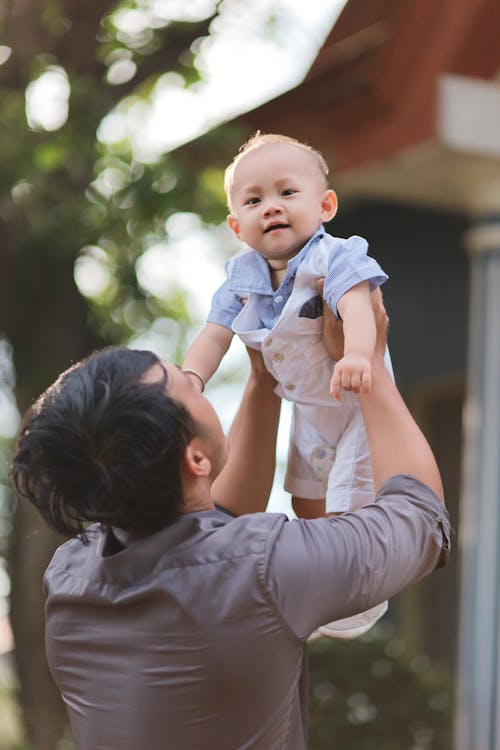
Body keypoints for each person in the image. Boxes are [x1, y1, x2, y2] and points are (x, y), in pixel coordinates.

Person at [11, 295, 450, 750]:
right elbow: (420, 518)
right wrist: (370, 360)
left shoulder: (70, 576)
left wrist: (264, 374)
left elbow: (212, 529)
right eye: (189, 386)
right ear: (195, 458)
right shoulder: (266, 567)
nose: (197, 385)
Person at [182, 131, 392, 638]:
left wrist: (359, 354)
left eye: (286, 193)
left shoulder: (336, 257)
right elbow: (214, 335)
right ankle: (325, 588)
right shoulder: (242, 277)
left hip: (355, 398)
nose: (271, 207)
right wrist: (191, 378)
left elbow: (360, 311)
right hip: (309, 407)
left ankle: (357, 592)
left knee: (349, 497)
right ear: (237, 225)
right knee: (305, 498)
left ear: (325, 206)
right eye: (254, 200)